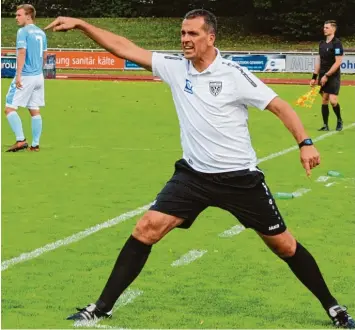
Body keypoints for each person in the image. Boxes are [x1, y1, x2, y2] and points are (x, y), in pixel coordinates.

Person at [45, 10, 354, 328]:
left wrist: (305, 143)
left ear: (210, 37)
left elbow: (280, 106)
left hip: (240, 178)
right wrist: (83, 25)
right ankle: (102, 306)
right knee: (145, 229)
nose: (184, 40)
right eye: (182, 33)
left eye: (192, 34)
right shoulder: (176, 69)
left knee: (284, 245)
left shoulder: (234, 74)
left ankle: (333, 307)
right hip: (193, 176)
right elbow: (124, 47)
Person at [5, 4, 47, 152]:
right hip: (38, 76)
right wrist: (38, 72)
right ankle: (35, 145)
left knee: (9, 108)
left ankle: (20, 140)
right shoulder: (41, 33)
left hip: (27, 76)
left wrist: (18, 75)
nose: (16, 18)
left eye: (19, 15)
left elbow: (22, 53)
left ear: (28, 16)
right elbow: (45, 55)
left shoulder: (23, 32)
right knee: (34, 110)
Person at [310, 20, 344, 132]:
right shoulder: (322, 43)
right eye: (324, 27)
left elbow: (338, 62)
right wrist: (314, 77)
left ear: (333, 29)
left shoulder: (337, 43)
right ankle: (325, 125)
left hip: (333, 75)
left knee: (333, 100)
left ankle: (339, 120)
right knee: (324, 99)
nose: (324, 29)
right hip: (322, 74)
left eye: (327, 27)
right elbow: (319, 60)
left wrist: (327, 75)